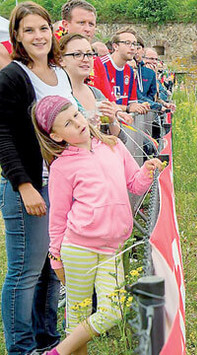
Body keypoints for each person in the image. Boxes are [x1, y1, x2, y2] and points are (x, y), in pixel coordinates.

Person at [32, 95, 163, 355]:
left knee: (112, 311)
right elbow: (58, 218)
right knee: (78, 315)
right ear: (57, 136)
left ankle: (56, 352)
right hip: (78, 248)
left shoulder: (113, 145)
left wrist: (147, 171)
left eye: (76, 115)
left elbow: (134, 184)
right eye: (67, 124)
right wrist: (56, 258)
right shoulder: (61, 167)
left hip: (113, 248)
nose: (77, 123)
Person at [0, 3, 70, 353]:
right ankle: (21, 348)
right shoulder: (13, 76)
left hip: (59, 183)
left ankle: (47, 340)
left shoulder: (61, 73)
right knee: (25, 273)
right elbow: (3, 136)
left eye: (42, 28)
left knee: (49, 268)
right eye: (28, 30)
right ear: (17, 36)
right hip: (30, 184)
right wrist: (24, 185)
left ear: (52, 32)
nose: (37, 36)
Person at [58, 33, 132, 136]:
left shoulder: (96, 93)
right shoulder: (58, 95)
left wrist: (112, 120)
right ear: (61, 60)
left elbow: (121, 138)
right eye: (77, 54)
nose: (85, 59)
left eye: (89, 54)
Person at [58, 0, 115, 102]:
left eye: (91, 24)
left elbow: (109, 102)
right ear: (65, 25)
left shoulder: (96, 62)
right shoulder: (51, 59)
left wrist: (117, 113)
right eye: (81, 23)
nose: (87, 29)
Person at [100, 28, 148, 114]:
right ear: (115, 46)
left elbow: (132, 102)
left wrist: (140, 107)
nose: (133, 48)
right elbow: (100, 104)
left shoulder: (129, 70)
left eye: (134, 44)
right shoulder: (101, 65)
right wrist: (127, 108)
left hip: (120, 123)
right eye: (127, 43)